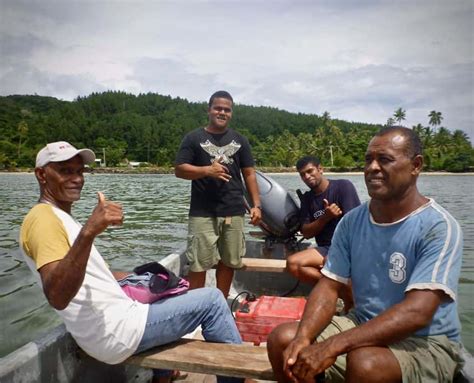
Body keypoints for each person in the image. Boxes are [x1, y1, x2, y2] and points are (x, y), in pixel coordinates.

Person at [20, 141, 244, 383]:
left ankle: (164, 376)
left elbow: (88, 275)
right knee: (211, 301)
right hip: (116, 333)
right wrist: (89, 231)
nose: (76, 178)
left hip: (114, 325)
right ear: (42, 175)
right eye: (65, 171)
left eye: (79, 171)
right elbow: (57, 295)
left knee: (168, 289)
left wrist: (140, 278)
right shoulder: (43, 219)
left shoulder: (58, 217)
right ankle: (238, 378)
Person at [267, 127, 464, 383]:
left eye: (384, 159)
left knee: (366, 364)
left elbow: (418, 312)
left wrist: (334, 345)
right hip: (362, 321)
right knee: (283, 341)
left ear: (416, 165)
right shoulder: (352, 222)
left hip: (426, 340)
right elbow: (328, 287)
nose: (372, 167)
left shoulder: (438, 227)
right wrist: (304, 337)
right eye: (368, 159)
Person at [175, 90, 261, 298]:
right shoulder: (194, 138)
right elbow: (179, 170)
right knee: (198, 263)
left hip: (234, 211)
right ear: (209, 110)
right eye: (218, 108)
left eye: (227, 109)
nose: (222, 112)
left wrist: (256, 205)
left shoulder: (240, 140)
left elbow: (249, 174)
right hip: (202, 212)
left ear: (231, 113)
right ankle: (194, 307)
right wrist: (207, 170)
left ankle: (221, 303)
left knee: (228, 261)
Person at [286, 156, 360, 287]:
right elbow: (307, 233)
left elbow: (356, 225)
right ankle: (340, 289)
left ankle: (341, 292)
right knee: (292, 263)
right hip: (325, 248)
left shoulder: (343, 186)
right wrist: (325, 218)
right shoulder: (307, 199)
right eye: (303, 174)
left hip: (348, 247)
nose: (307, 177)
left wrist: (338, 253)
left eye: (310, 171)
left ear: (320, 169)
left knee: (331, 261)